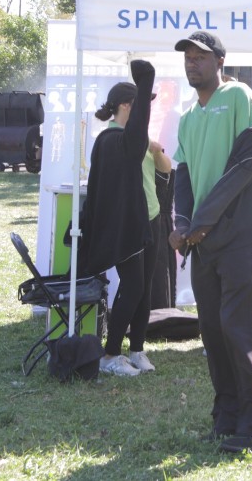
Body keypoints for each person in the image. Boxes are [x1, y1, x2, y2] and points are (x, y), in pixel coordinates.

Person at [168, 32, 252, 453]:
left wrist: (203, 222)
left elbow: (247, 163)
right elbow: (184, 174)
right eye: (188, 58)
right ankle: (227, 416)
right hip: (203, 238)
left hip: (237, 234)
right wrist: (182, 222)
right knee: (212, 330)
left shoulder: (239, 95)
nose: (192, 63)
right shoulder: (189, 116)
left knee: (237, 327)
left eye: (200, 57)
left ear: (219, 61)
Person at [74, 60, 163, 377]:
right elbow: (135, 138)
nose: (145, 113)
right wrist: (145, 81)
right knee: (133, 287)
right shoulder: (111, 141)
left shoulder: (128, 142)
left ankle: (136, 349)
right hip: (128, 227)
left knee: (144, 288)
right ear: (127, 106)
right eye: (141, 105)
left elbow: (157, 162)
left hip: (150, 218)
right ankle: (110, 355)